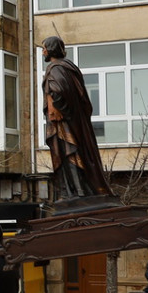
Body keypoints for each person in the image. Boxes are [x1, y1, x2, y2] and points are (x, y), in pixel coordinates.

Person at [41, 35, 113, 202]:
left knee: (68, 152)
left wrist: (55, 107)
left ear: (51, 49)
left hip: (64, 122)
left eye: (44, 47)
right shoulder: (69, 67)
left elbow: (57, 89)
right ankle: (76, 190)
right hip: (73, 120)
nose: (43, 51)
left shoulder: (56, 68)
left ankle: (76, 191)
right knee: (72, 153)